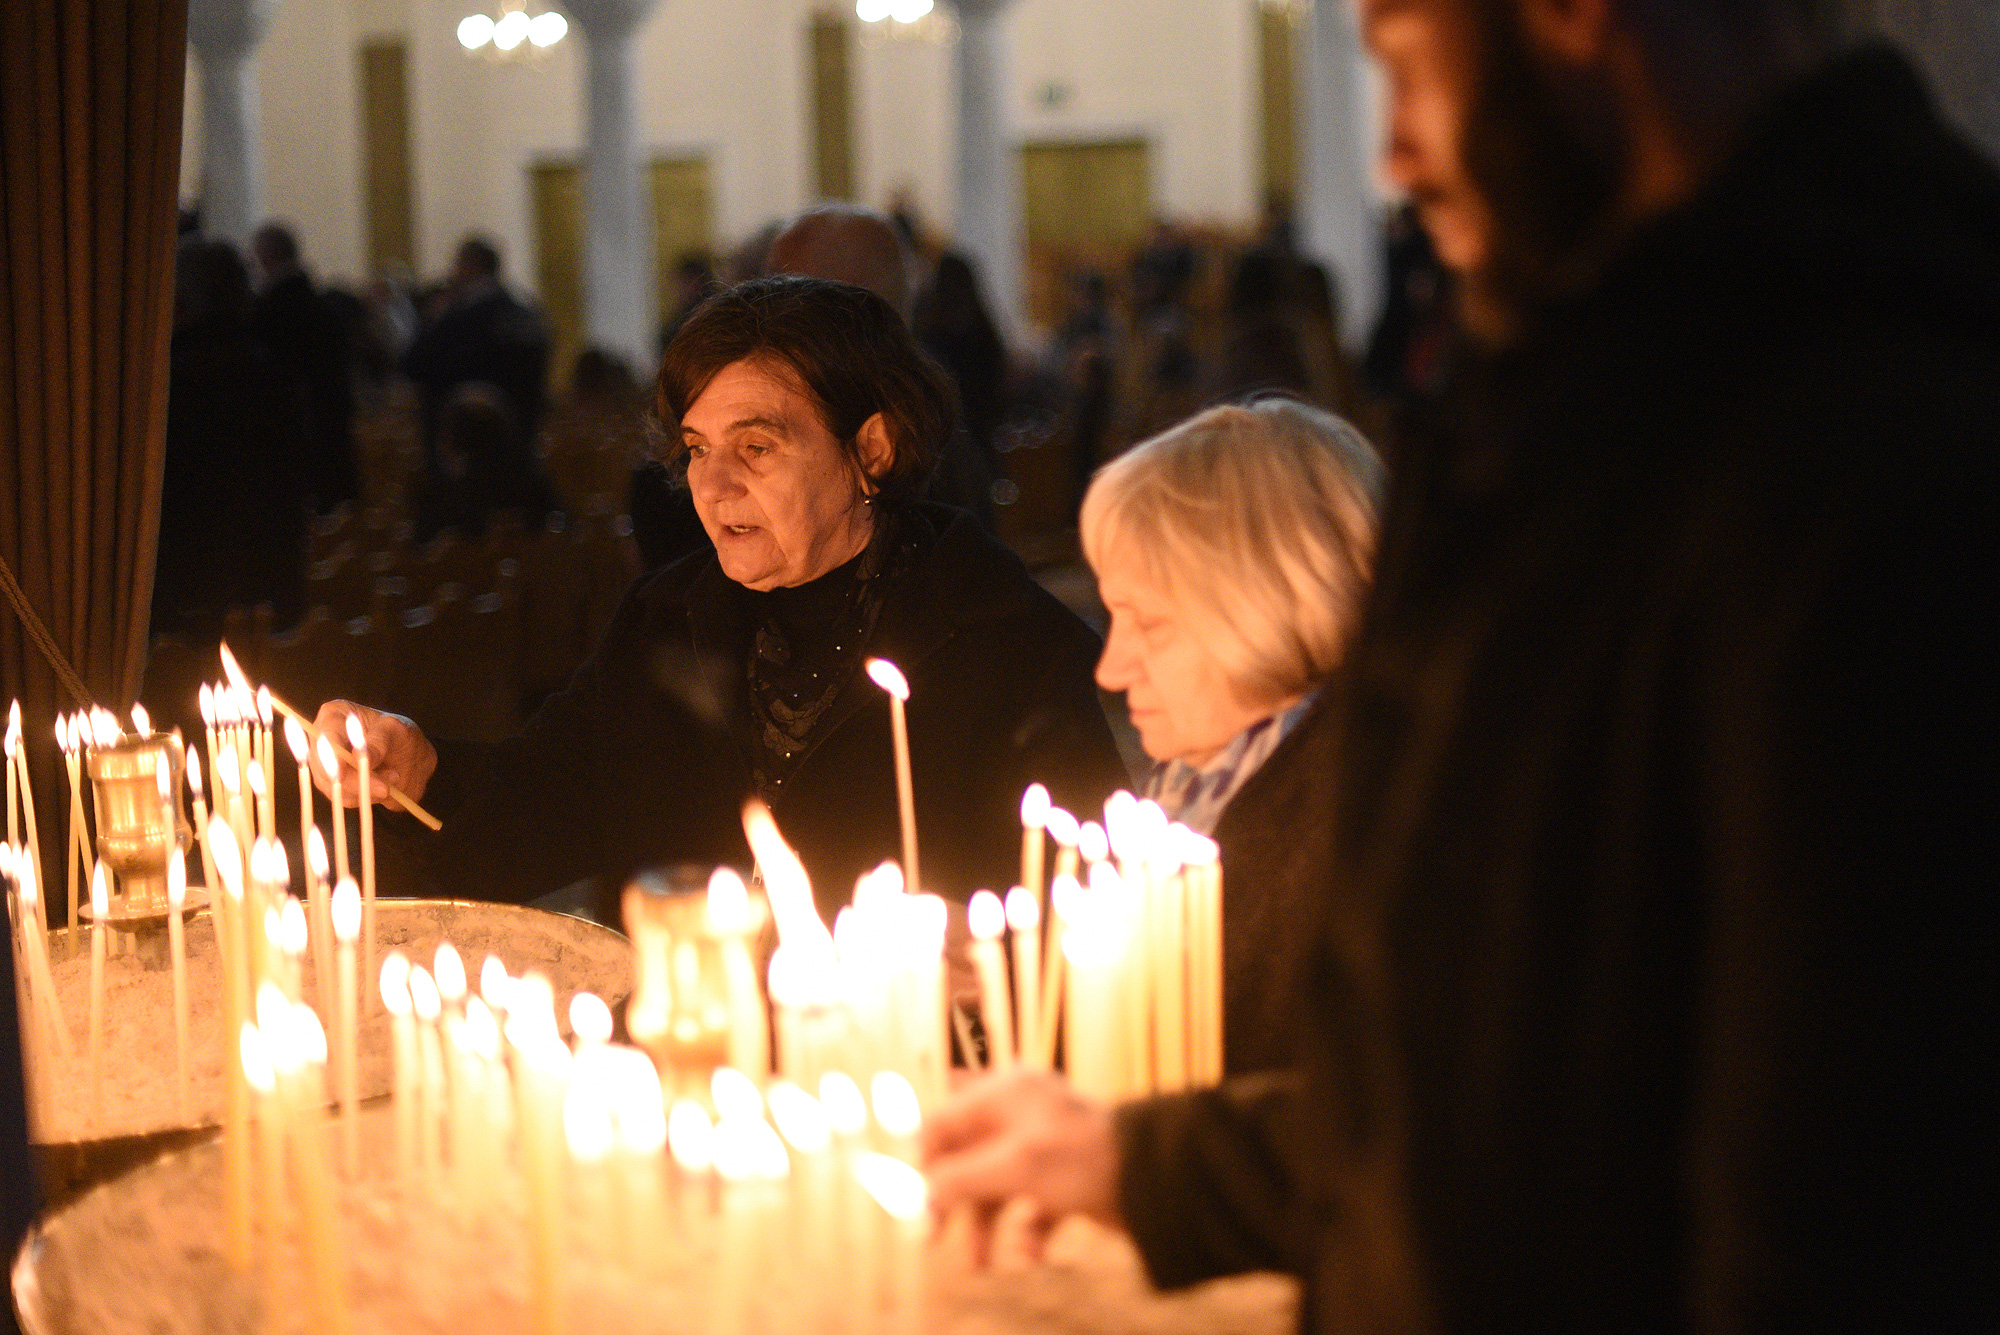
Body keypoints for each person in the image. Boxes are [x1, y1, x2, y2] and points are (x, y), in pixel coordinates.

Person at [923, 1, 1995, 1331]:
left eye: (1407, 59)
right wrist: (1148, 1164)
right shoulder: (1576, 402)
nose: (1393, 154)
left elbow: (1841, 1189)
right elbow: (1486, 1065)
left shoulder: (1875, 455)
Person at [315, 275, 1129, 922]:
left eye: (758, 445)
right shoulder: (669, 621)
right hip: (691, 1071)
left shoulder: (999, 636)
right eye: (698, 447)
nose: (712, 483)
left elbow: (1093, 916)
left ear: (871, 449)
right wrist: (420, 772)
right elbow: (539, 802)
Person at [1085, 398, 1382, 1073]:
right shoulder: (1197, 777)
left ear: (1265, 611)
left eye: (1149, 623)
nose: (1111, 666)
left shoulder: (1341, 839)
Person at [153, 239, 307, 636]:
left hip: (185, 585)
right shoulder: (271, 373)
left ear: (180, 299)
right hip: (270, 577)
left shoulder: (166, 382)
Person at [402, 236, 553, 463]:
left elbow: (415, 364)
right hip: (522, 443)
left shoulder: (460, 318)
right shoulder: (526, 313)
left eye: (456, 265)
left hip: (468, 450)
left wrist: (433, 320)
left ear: (470, 266)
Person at [249, 223, 360, 516]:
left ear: (265, 256)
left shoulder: (271, 310)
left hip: (296, 439)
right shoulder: (325, 305)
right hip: (332, 429)